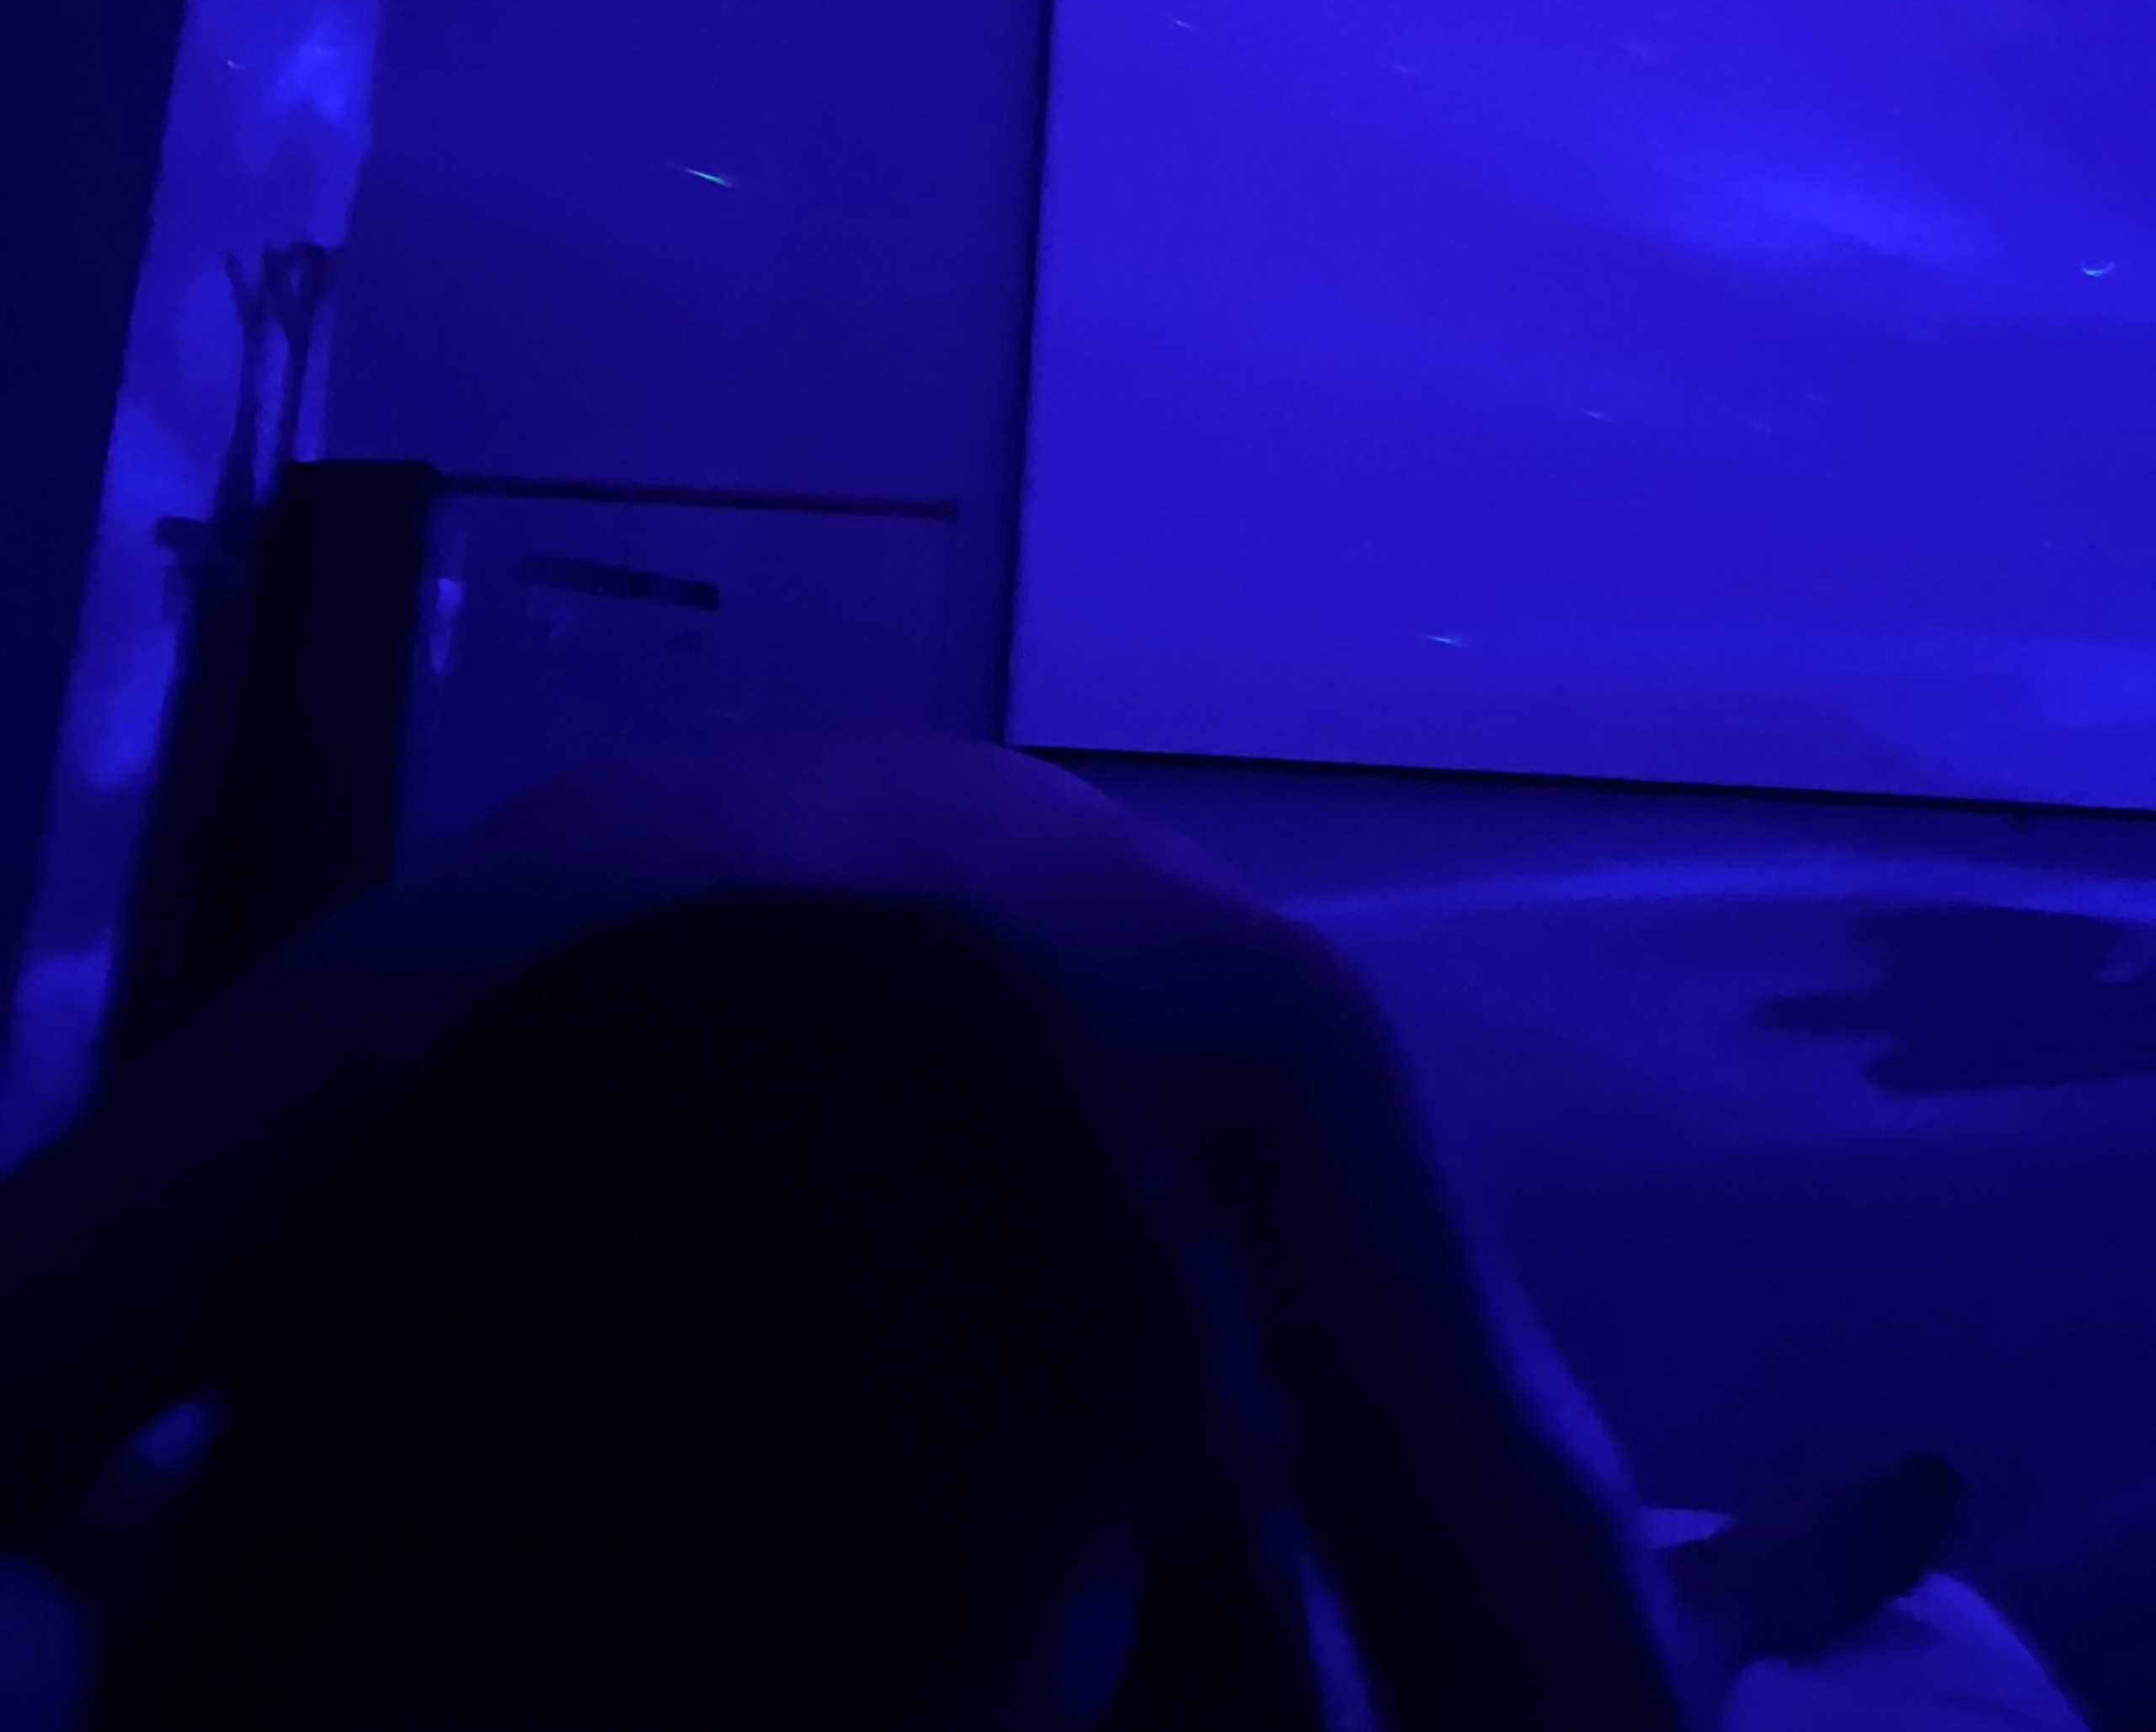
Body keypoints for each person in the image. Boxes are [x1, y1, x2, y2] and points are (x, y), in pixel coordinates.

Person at [0, 735, 1956, 1729]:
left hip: (1134, 1056)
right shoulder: (420, 1036)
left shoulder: (1250, 1050)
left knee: (1579, 1686)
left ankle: (1733, 1601)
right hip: (656, 1044)